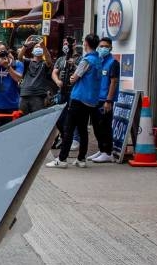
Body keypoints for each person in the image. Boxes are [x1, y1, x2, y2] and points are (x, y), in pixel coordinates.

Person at [47, 33, 102, 169]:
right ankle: (81, 159)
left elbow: (74, 78)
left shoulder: (86, 60)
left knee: (69, 128)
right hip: (91, 99)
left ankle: (62, 159)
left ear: (86, 44)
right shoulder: (98, 59)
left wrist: (73, 76)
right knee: (83, 129)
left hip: (79, 97)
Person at [87, 36, 120, 163]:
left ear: (111, 48)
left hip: (105, 100)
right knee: (96, 126)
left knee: (105, 126)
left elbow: (113, 82)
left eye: (106, 47)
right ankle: (101, 149)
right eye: (101, 46)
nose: (103, 48)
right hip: (96, 99)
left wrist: (109, 101)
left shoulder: (113, 63)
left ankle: (108, 152)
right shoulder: (99, 61)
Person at [51, 37, 82, 151]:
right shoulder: (60, 59)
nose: (66, 45)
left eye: (68, 43)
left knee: (74, 116)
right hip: (61, 91)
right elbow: (54, 73)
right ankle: (65, 137)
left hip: (74, 91)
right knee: (60, 117)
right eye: (64, 43)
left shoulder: (80, 59)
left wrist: (74, 64)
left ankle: (75, 139)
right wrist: (57, 81)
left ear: (74, 44)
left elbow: (82, 72)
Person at [17, 36, 53, 115]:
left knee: (36, 119)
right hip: (24, 94)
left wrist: (43, 46)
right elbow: (19, 57)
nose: (38, 48)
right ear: (33, 51)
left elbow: (49, 61)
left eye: (40, 47)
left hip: (38, 96)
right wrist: (25, 45)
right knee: (21, 119)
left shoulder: (44, 64)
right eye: (36, 47)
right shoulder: (28, 62)